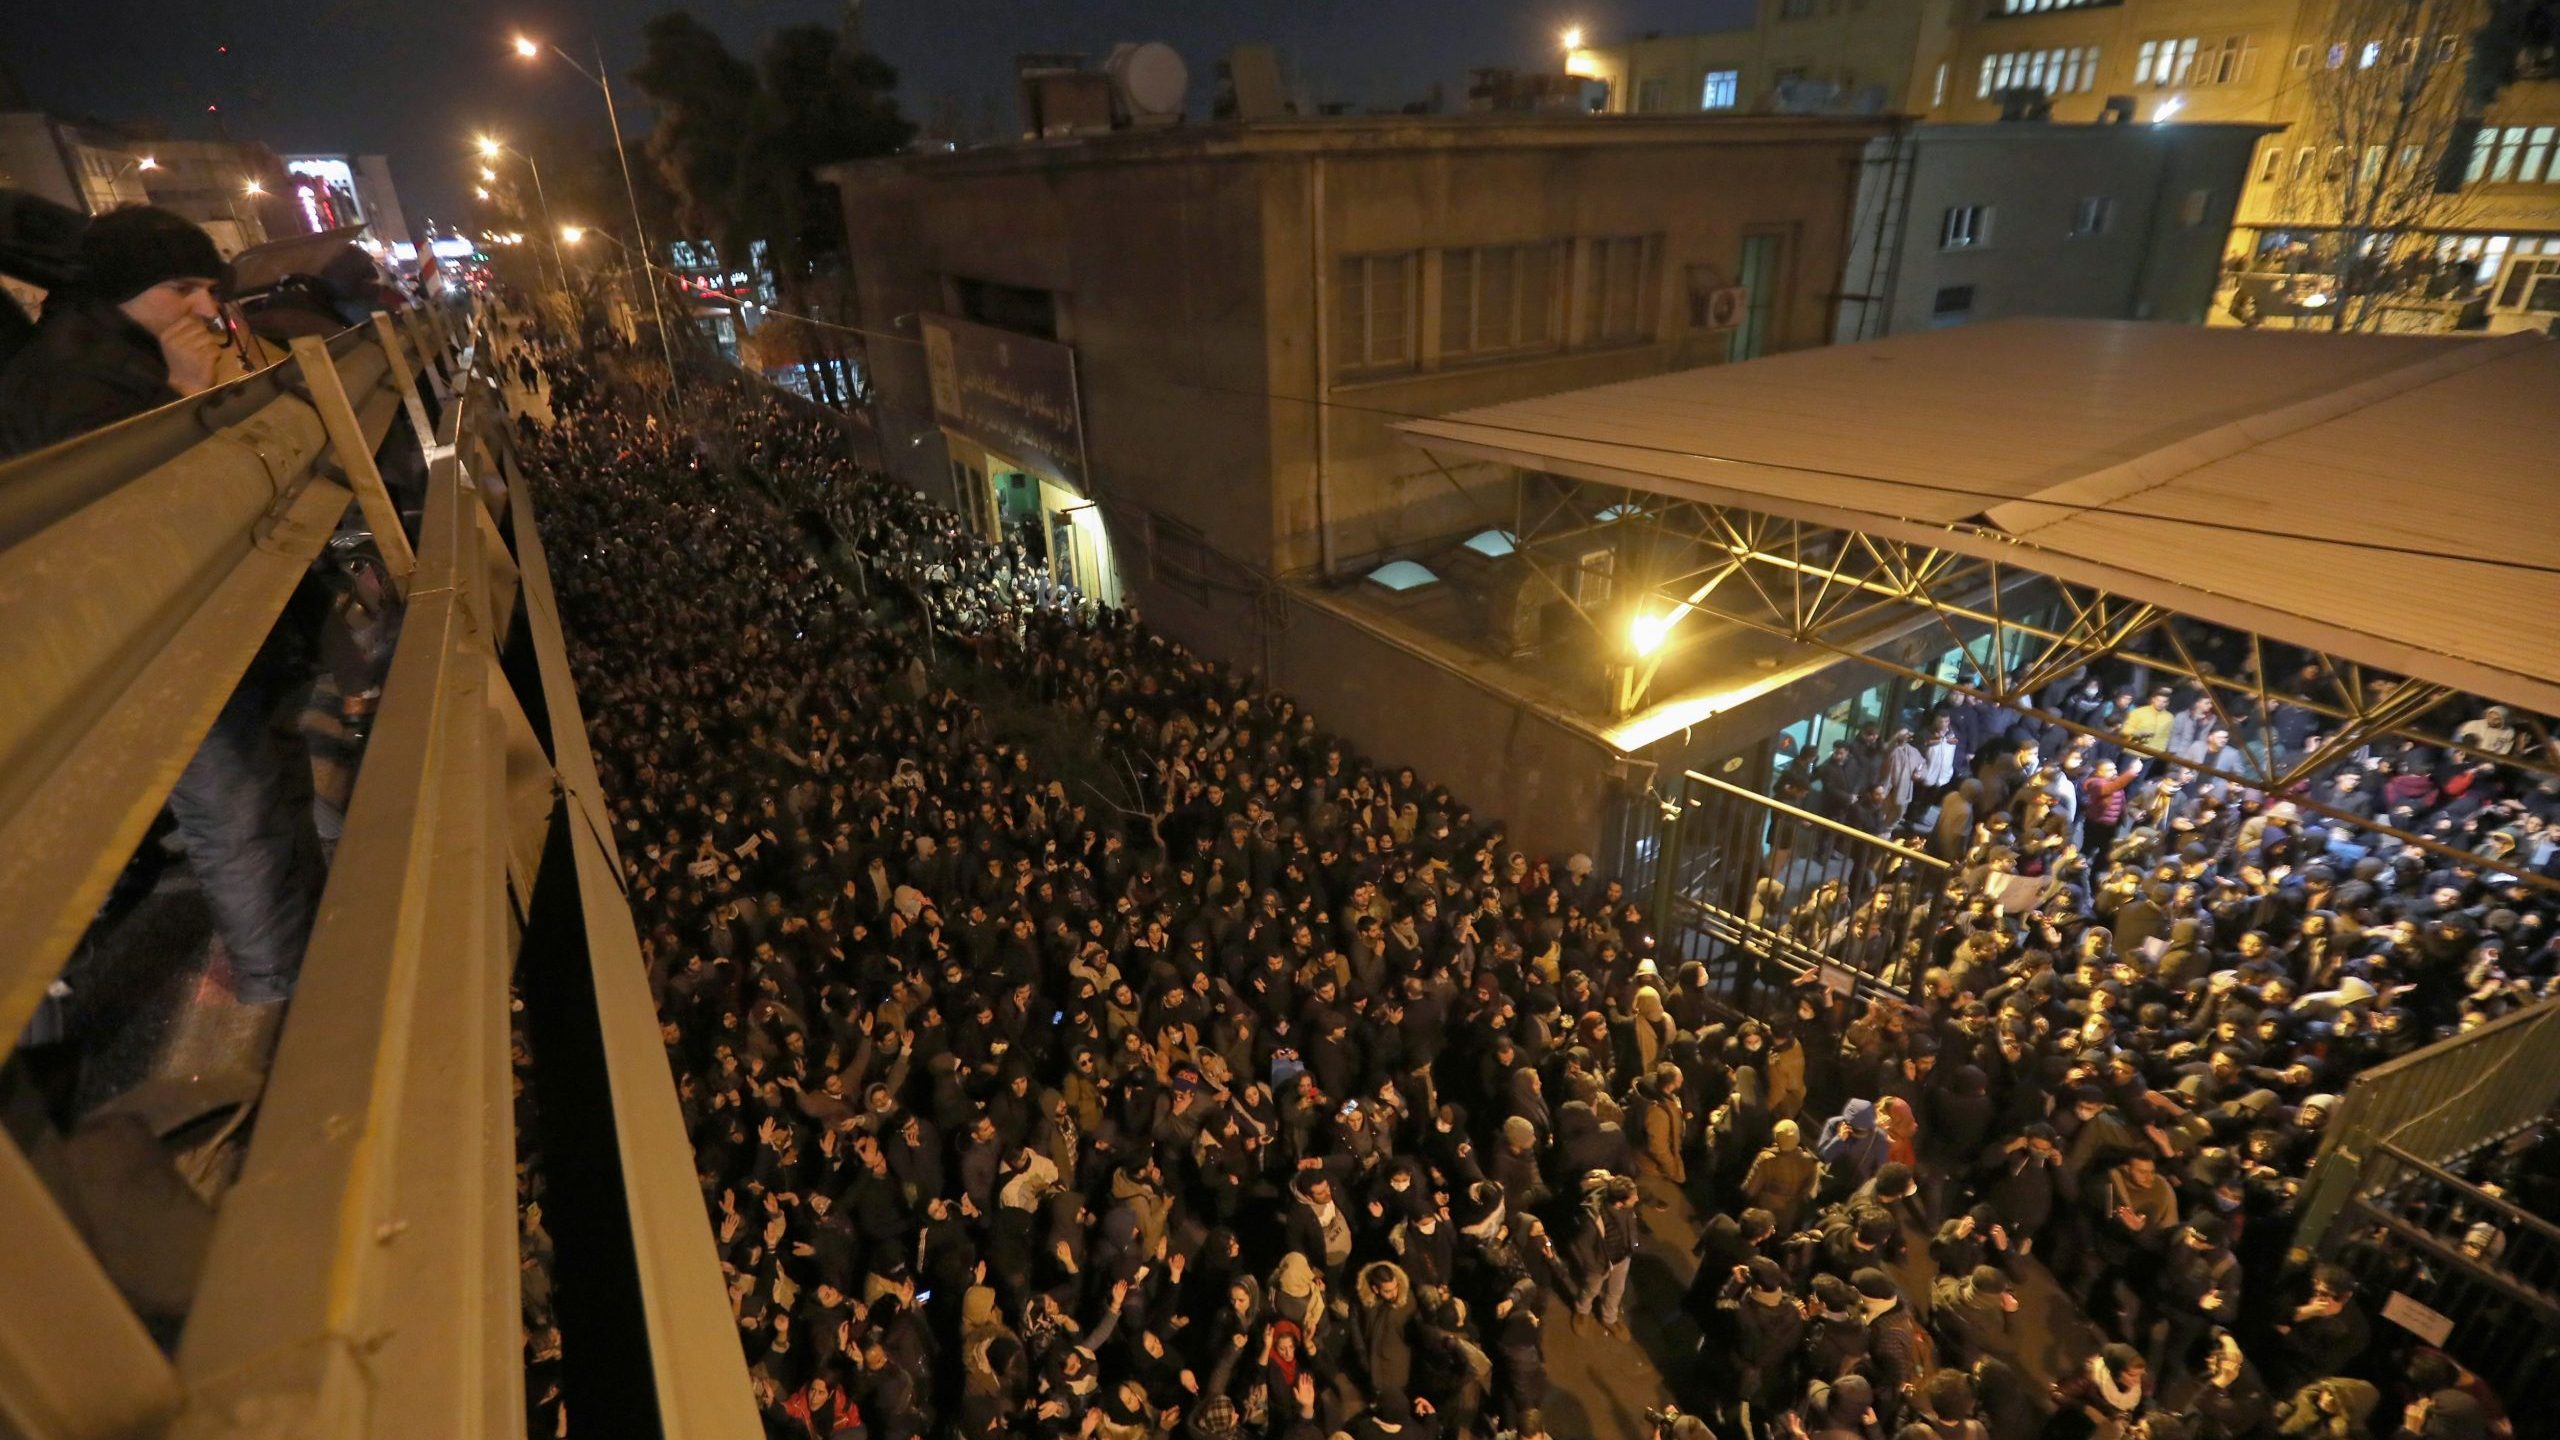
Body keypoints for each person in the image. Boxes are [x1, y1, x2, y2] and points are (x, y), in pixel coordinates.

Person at [0, 205, 242, 455]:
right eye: (182, 289)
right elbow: (106, 478)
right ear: (120, 289)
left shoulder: (135, 351)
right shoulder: (69, 375)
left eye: (211, 291)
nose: (209, 310)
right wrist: (183, 390)